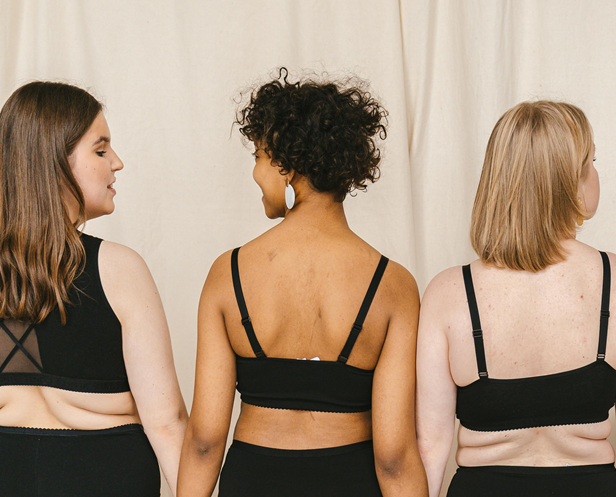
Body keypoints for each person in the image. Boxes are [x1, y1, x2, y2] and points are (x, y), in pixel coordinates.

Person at [177, 69, 428, 497]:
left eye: (259, 156)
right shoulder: (393, 285)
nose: (255, 173)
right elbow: (394, 457)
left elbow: (204, 441)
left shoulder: (228, 273)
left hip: (252, 482)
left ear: (287, 165)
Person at [416, 101, 616, 496]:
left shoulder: (447, 293)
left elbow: (430, 446)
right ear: (570, 180)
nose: (596, 173)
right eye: (591, 162)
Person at [0, 81, 188, 496]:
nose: (117, 162)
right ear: (52, 163)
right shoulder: (119, 268)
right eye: (100, 151)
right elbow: (167, 422)